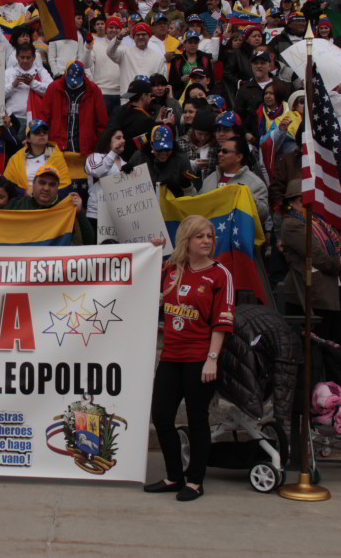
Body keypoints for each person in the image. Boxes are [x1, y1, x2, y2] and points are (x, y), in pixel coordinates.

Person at [145, 215, 233, 502]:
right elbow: (140, 282)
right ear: (187, 240)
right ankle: (173, 476)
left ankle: (195, 481)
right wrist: (152, 251)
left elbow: (223, 322)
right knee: (161, 415)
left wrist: (212, 359)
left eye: (209, 236)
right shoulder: (171, 268)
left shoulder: (220, 274)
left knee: (197, 420)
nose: (207, 241)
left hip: (199, 358)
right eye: (200, 236)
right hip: (170, 355)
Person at [280, 178, 341, 345]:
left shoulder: (317, 222)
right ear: (298, 200)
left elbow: (336, 245)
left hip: (327, 290)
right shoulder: (292, 224)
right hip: (309, 292)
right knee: (317, 343)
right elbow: (315, 254)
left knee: (334, 341)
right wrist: (340, 269)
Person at [6, 164, 93, 245]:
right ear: (33, 184)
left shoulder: (67, 207)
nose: (46, 188)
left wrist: (80, 212)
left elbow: (89, 241)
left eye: (52, 184)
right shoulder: (16, 204)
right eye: (42, 183)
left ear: (57, 187)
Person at [35, 61, 107, 157]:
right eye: (70, 80)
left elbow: (102, 122)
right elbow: (43, 116)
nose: (73, 84)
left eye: (76, 81)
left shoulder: (94, 90)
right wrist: (38, 137)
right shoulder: (54, 88)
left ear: (84, 76)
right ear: (65, 74)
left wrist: (101, 147)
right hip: (57, 146)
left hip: (85, 149)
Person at [199, 135, 269, 222]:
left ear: (239, 157)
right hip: (209, 233)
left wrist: (248, 197)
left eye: (225, 151)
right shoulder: (210, 178)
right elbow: (198, 206)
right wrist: (188, 188)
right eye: (219, 150)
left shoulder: (255, 183)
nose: (219, 154)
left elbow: (263, 214)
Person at [233, 50, 292, 142]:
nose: (259, 66)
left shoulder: (283, 86)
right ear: (251, 66)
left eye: (262, 63)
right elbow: (238, 115)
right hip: (255, 140)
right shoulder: (244, 90)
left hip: (283, 137)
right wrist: (245, 133)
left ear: (269, 66)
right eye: (255, 63)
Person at [4, 119, 71, 196]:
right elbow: (8, 186)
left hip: (49, 201)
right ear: (28, 138)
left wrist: (43, 194)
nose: (42, 134)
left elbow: (65, 186)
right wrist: (25, 192)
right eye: (37, 132)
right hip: (24, 200)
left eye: (44, 132)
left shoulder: (56, 156)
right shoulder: (16, 159)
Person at [107, 22, 167, 98]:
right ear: (133, 37)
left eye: (144, 34)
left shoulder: (158, 57)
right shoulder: (124, 53)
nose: (141, 37)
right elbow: (110, 52)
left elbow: (161, 81)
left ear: (149, 36)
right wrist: (119, 37)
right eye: (137, 35)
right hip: (128, 99)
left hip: (148, 99)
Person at [84, 126, 126, 230]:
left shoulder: (124, 163)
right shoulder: (94, 157)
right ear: (108, 140)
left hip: (118, 217)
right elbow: (96, 171)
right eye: (118, 138)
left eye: (123, 138)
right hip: (96, 215)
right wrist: (113, 153)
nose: (123, 140)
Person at [4, 43, 53, 129]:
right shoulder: (8, 72)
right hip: (14, 119)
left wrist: (32, 83)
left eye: (28, 57)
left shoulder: (41, 72)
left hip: (36, 118)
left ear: (34, 58)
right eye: (22, 57)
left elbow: (51, 92)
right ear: (16, 57)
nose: (25, 60)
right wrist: (12, 85)